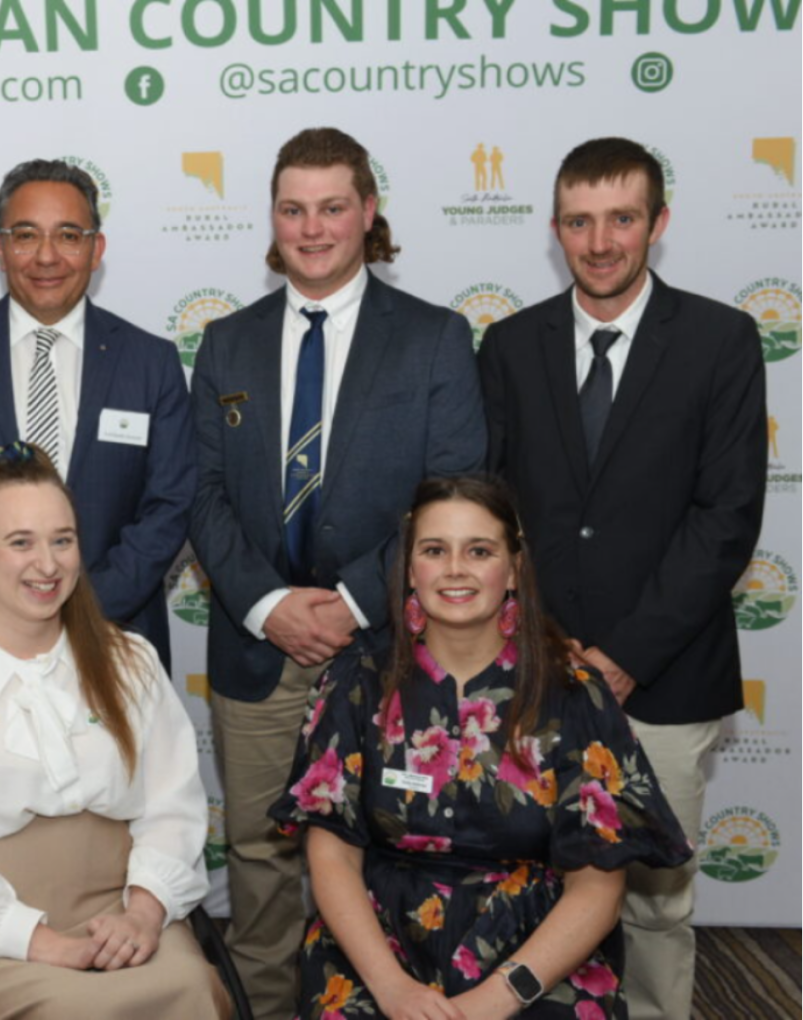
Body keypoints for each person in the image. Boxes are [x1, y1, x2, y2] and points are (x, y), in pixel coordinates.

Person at [189, 127, 485, 1017]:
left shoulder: (434, 338)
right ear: (272, 221)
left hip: (388, 650)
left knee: (396, 857)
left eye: (331, 207)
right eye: (292, 209)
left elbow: (455, 498)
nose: (311, 228)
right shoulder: (227, 342)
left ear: (367, 214)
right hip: (258, 649)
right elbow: (199, 494)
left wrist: (354, 603)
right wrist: (269, 603)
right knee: (260, 857)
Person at [477, 137, 767, 1020]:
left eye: (622, 219)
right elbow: (492, 516)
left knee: (654, 899)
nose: (600, 242)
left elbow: (725, 521)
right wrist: (550, 654)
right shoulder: (510, 344)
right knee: (528, 887)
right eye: (579, 221)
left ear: (658, 224)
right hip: (533, 675)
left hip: (668, 677)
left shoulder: (722, 339)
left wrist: (625, 655)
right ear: (556, 228)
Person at [272, 475, 692, 1019]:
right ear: (409, 570)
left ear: (514, 568)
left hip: (535, 954)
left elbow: (597, 890)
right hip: (377, 946)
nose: (454, 569)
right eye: (433, 550)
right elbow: (331, 855)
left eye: (479, 550)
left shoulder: (575, 693)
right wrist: (393, 989)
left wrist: (495, 999)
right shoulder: (356, 683)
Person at [0, 445, 230, 1020]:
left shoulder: (129, 660)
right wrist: (44, 942)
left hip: (119, 909)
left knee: (189, 989)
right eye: (21, 542)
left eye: (62, 540)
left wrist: (142, 913)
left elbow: (172, 807)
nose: (47, 563)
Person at [0, 158, 193, 670]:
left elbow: (169, 505)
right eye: (26, 235)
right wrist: (5, 605)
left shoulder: (151, 362)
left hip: (116, 638)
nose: (47, 256)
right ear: (1, 249)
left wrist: (82, 610)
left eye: (69, 235)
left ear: (97, 249)